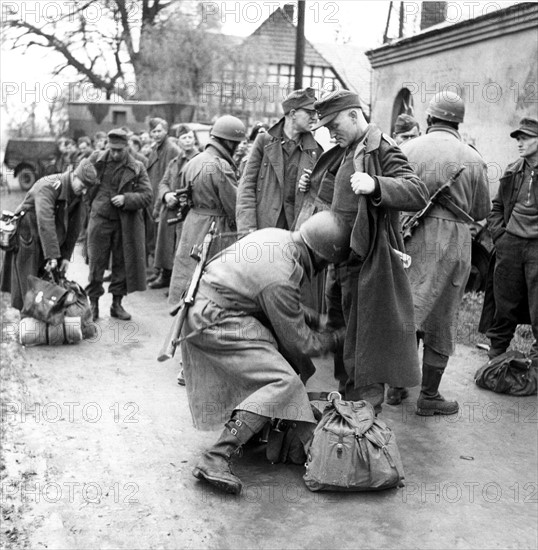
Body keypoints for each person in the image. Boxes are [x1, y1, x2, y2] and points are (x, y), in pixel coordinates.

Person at [183, 211, 348, 495]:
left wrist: (315, 320)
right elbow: (301, 343)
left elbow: (274, 301)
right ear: (321, 258)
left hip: (216, 307)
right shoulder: (281, 276)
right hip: (214, 321)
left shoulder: (278, 237)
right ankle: (217, 456)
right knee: (283, 380)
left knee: (280, 360)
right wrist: (336, 338)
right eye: (328, 264)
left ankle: (254, 427)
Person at [310, 89, 429, 412]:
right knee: (342, 336)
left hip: (367, 264)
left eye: (334, 124)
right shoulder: (345, 150)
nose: (331, 131)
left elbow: (417, 191)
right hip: (341, 262)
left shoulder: (383, 148)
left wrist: (377, 184)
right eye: (326, 127)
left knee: (365, 344)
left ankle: (364, 420)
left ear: (353, 114)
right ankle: (347, 409)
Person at [389, 91, 491, 414]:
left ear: (430, 118)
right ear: (458, 122)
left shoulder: (405, 148)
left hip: (409, 233)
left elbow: (392, 193)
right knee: (442, 316)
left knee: (408, 306)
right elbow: (481, 209)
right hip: (453, 240)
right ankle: (429, 396)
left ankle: (395, 386)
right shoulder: (473, 158)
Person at [168, 115, 246, 306]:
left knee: (188, 273)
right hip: (215, 228)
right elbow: (233, 205)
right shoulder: (221, 165)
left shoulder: (193, 161)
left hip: (192, 224)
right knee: (211, 281)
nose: (236, 148)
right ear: (227, 141)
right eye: (235, 143)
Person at [1, 159, 98, 310]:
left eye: (87, 188)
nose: (84, 191)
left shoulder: (76, 192)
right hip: (28, 233)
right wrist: (52, 256)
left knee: (47, 282)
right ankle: (26, 322)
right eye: (83, 186)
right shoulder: (48, 185)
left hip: (46, 237)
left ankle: (41, 322)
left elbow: (75, 227)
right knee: (28, 280)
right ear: (74, 175)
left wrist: (65, 256)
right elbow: (45, 220)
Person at [481, 117, 537, 367]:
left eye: (525, 137)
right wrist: (501, 238)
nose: (519, 142)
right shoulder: (513, 170)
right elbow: (496, 208)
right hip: (510, 245)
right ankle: (496, 352)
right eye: (518, 137)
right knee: (504, 301)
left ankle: (536, 362)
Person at [85, 129, 153, 322]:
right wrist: (90, 203)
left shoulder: (137, 166)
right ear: (107, 145)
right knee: (96, 263)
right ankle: (94, 304)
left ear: (127, 147)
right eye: (112, 149)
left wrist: (127, 198)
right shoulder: (96, 160)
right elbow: (81, 181)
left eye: (119, 150)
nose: (115, 153)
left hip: (125, 223)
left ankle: (117, 304)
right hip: (99, 219)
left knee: (122, 264)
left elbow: (148, 195)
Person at [236, 87, 323, 234]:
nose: (315, 118)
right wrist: (247, 231)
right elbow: (246, 188)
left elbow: (321, 199)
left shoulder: (316, 151)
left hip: (295, 234)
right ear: (293, 113)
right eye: (309, 112)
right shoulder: (263, 142)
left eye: (316, 113)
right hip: (262, 231)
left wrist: (312, 185)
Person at [149, 124, 200, 290]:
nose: (187, 141)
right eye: (184, 138)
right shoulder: (174, 162)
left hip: (187, 211)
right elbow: (163, 182)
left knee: (183, 248)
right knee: (166, 246)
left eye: (190, 137)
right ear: (178, 141)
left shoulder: (198, 160)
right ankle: (166, 276)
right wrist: (166, 195)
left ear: (194, 140)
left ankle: (180, 285)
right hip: (170, 209)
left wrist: (178, 196)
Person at [146, 118, 180, 282]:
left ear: (166, 131)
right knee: (155, 236)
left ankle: (164, 274)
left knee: (164, 239)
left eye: (159, 130)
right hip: (154, 197)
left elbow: (169, 177)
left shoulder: (171, 150)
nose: (156, 134)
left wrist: (162, 201)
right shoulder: (156, 149)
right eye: (154, 131)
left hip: (164, 199)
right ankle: (158, 270)